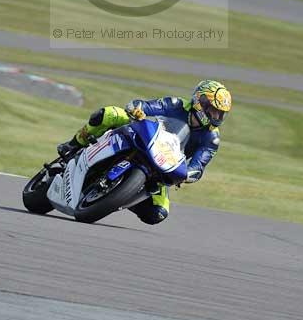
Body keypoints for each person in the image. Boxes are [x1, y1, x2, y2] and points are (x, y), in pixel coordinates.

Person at [56, 79, 232, 225]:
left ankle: (119, 196)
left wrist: (189, 175)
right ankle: (74, 144)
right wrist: (137, 109)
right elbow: (147, 106)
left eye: (219, 114)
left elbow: (199, 166)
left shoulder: (212, 139)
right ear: (199, 101)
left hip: (164, 164)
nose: (215, 116)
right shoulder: (176, 104)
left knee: (158, 213)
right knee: (109, 114)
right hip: (145, 137)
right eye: (212, 110)